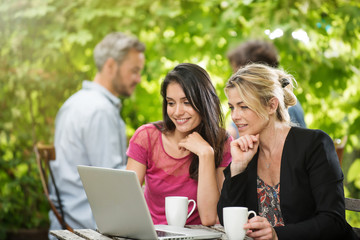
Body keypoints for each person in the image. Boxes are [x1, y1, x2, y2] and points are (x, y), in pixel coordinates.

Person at [217, 63, 358, 239]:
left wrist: (277, 235)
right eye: (232, 107)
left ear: (271, 105)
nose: (235, 116)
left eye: (243, 106)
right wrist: (238, 167)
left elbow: (333, 221)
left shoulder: (314, 144)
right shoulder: (247, 153)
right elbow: (226, 219)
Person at [48, 32, 145, 235]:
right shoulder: (100, 110)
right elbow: (114, 184)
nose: (138, 78)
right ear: (110, 66)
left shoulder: (74, 102)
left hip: (66, 221)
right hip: (87, 227)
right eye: (134, 71)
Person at [126, 63, 232, 226]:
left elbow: (209, 218)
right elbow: (126, 200)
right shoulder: (147, 137)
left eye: (187, 102)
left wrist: (206, 154)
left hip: (200, 236)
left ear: (204, 101)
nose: (177, 112)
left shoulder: (221, 141)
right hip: (153, 234)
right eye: (171, 103)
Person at [226, 40, 306, 139]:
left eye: (241, 74)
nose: (236, 80)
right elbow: (232, 132)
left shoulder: (288, 107)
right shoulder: (249, 112)